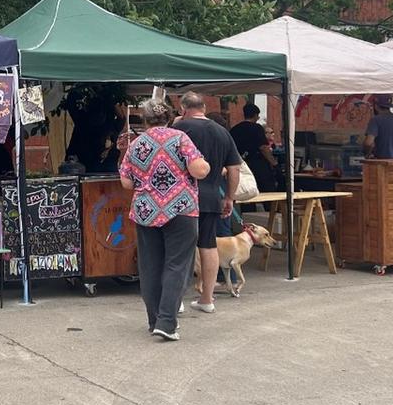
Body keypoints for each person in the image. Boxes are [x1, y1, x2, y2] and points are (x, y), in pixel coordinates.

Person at [119, 99, 210, 341]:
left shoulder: (136, 144)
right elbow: (199, 169)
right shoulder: (180, 138)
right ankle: (167, 322)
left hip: (146, 211)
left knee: (150, 267)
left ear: (145, 119)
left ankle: (154, 320)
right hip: (180, 208)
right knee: (177, 265)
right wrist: (207, 166)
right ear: (169, 117)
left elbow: (126, 182)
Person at [173, 92, 242, 315]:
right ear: (203, 106)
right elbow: (234, 169)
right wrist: (229, 197)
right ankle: (207, 299)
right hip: (212, 195)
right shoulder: (223, 132)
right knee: (208, 245)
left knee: (180, 248)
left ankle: (177, 300)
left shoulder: (180, 129)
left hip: (182, 196)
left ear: (183, 108)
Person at [230, 103, 279, 193]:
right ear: (255, 115)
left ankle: (249, 207)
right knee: (267, 191)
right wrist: (274, 163)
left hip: (242, 164)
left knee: (246, 191)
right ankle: (269, 207)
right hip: (258, 164)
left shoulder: (234, 129)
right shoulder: (257, 128)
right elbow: (263, 147)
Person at [364, 95, 393, 160]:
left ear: (376, 106)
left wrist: (367, 154)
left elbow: (369, 143)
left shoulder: (376, 120)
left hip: (384, 164)